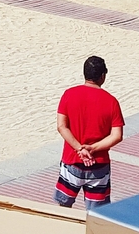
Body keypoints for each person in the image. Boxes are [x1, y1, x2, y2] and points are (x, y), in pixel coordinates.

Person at [53, 55, 124, 209]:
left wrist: (79, 148)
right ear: (103, 76)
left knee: (64, 206)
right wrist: (92, 148)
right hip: (98, 165)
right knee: (97, 212)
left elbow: (61, 126)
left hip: (72, 160)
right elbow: (117, 136)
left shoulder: (69, 94)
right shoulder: (111, 101)